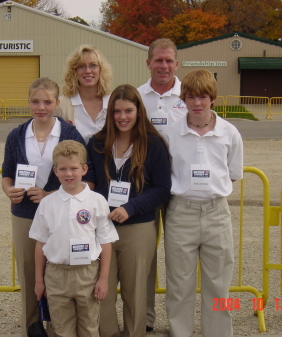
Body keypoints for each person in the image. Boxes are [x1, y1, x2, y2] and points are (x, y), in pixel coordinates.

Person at [1, 77, 86, 337]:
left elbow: (83, 175)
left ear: (57, 103)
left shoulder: (70, 133)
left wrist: (49, 193)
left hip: (61, 213)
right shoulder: (16, 135)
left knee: (58, 271)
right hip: (25, 213)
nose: (41, 107)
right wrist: (9, 190)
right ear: (28, 102)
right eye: (35, 101)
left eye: (47, 102)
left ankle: (57, 326)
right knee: (29, 272)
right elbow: (6, 172)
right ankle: (32, 324)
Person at [162, 69, 243, 337]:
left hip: (216, 213)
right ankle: (180, 332)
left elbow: (233, 175)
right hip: (180, 212)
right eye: (192, 97)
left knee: (219, 284)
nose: (197, 103)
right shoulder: (170, 134)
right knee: (179, 284)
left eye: (204, 97)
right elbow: (166, 173)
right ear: (183, 98)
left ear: (213, 98)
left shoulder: (230, 133)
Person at [86, 84, 171, 337]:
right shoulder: (97, 143)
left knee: (136, 292)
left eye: (129, 111)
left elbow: (162, 188)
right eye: (117, 111)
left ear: (138, 111)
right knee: (102, 291)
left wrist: (131, 207)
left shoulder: (153, 143)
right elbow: (90, 184)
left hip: (138, 227)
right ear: (110, 113)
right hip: (103, 229)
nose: (123, 117)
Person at [30, 140, 119, 337]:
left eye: (73, 168)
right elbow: (40, 244)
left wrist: (103, 279)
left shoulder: (97, 201)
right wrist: (39, 280)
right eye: (63, 169)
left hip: (87, 274)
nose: (68, 174)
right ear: (55, 171)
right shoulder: (47, 203)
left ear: (84, 169)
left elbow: (106, 242)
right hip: (56, 274)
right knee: (61, 330)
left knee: (89, 327)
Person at [137, 37, 188, 332]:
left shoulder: (189, 95)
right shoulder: (137, 97)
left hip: (180, 189)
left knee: (178, 258)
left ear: (177, 64)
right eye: (158, 60)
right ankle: (144, 318)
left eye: (169, 60)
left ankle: (178, 322)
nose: (164, 66)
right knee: (143, 256)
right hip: (145, 188)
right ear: (148, 63)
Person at [56, 44, 113, 143]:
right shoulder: (61, 105)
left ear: (101, 69)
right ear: (74, 71)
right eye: (82, 66)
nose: (88, 71)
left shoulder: (113, 102)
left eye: (93, 65)